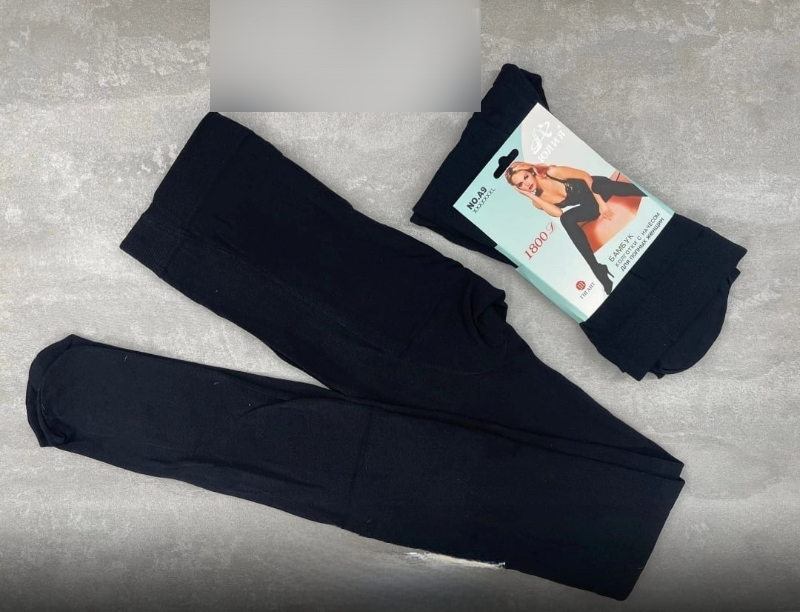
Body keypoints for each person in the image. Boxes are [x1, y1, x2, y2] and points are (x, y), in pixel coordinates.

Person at [505, 161, 627, 295]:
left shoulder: (552, 173)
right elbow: (558, 213)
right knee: (566, 219)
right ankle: (597, 269)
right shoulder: (538, 202)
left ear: (532, 171)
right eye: (520, 184)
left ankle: (641, 191)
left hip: (598, 190)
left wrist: (601, 203)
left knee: (601, 185)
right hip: (590, 206)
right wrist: (529, 195)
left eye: (526, 177)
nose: (526, 184)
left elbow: (585, 176)